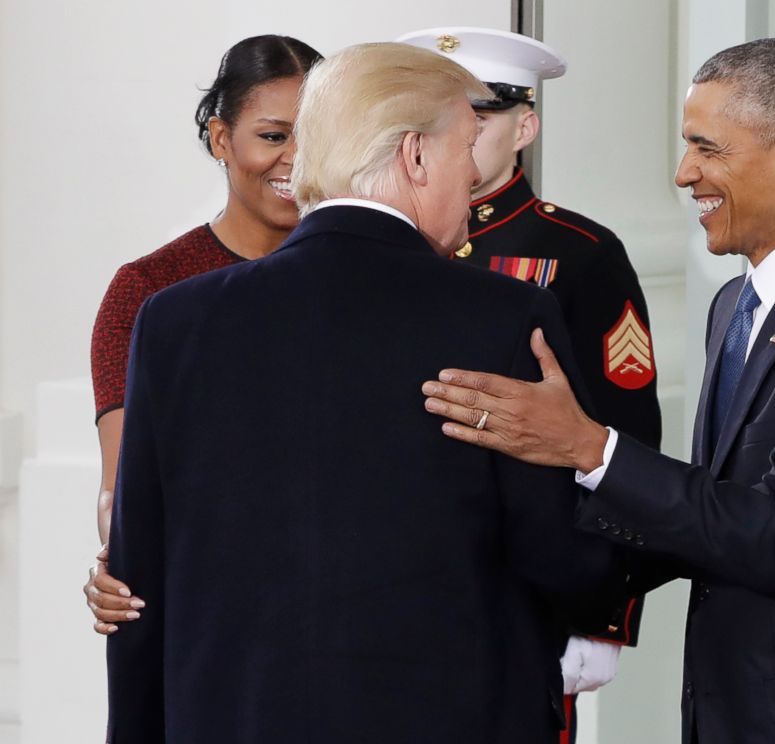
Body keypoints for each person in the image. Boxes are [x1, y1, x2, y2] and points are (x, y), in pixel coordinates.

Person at [422, 37, 775, 743]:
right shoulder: (735, 302)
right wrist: (520, 584)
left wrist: (590, 447)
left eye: (708, 149)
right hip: (735, 709)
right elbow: (711, 513)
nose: (684, 174)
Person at [105, 42, 627, 743]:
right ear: (415, 155)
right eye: (466, 147)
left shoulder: (173, 323)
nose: (474, 178)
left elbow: (137, 593)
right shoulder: (506, 320)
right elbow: (565, 566)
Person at [397, 27, 660, 739]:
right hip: (407, 574)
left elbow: (622, 435)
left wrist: (606, 614)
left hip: (530, 582)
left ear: (525, 125)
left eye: (479, 116)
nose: (457, 131)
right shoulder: (391, 243)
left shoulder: (579, 254)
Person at [84, 35, 322, 635]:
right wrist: (120, 564)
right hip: (211, 613)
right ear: (221, 138)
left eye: (316, 137)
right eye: (273, 136)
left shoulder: (363, 279)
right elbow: (123, 487)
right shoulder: (147, 289)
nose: (297, 159)